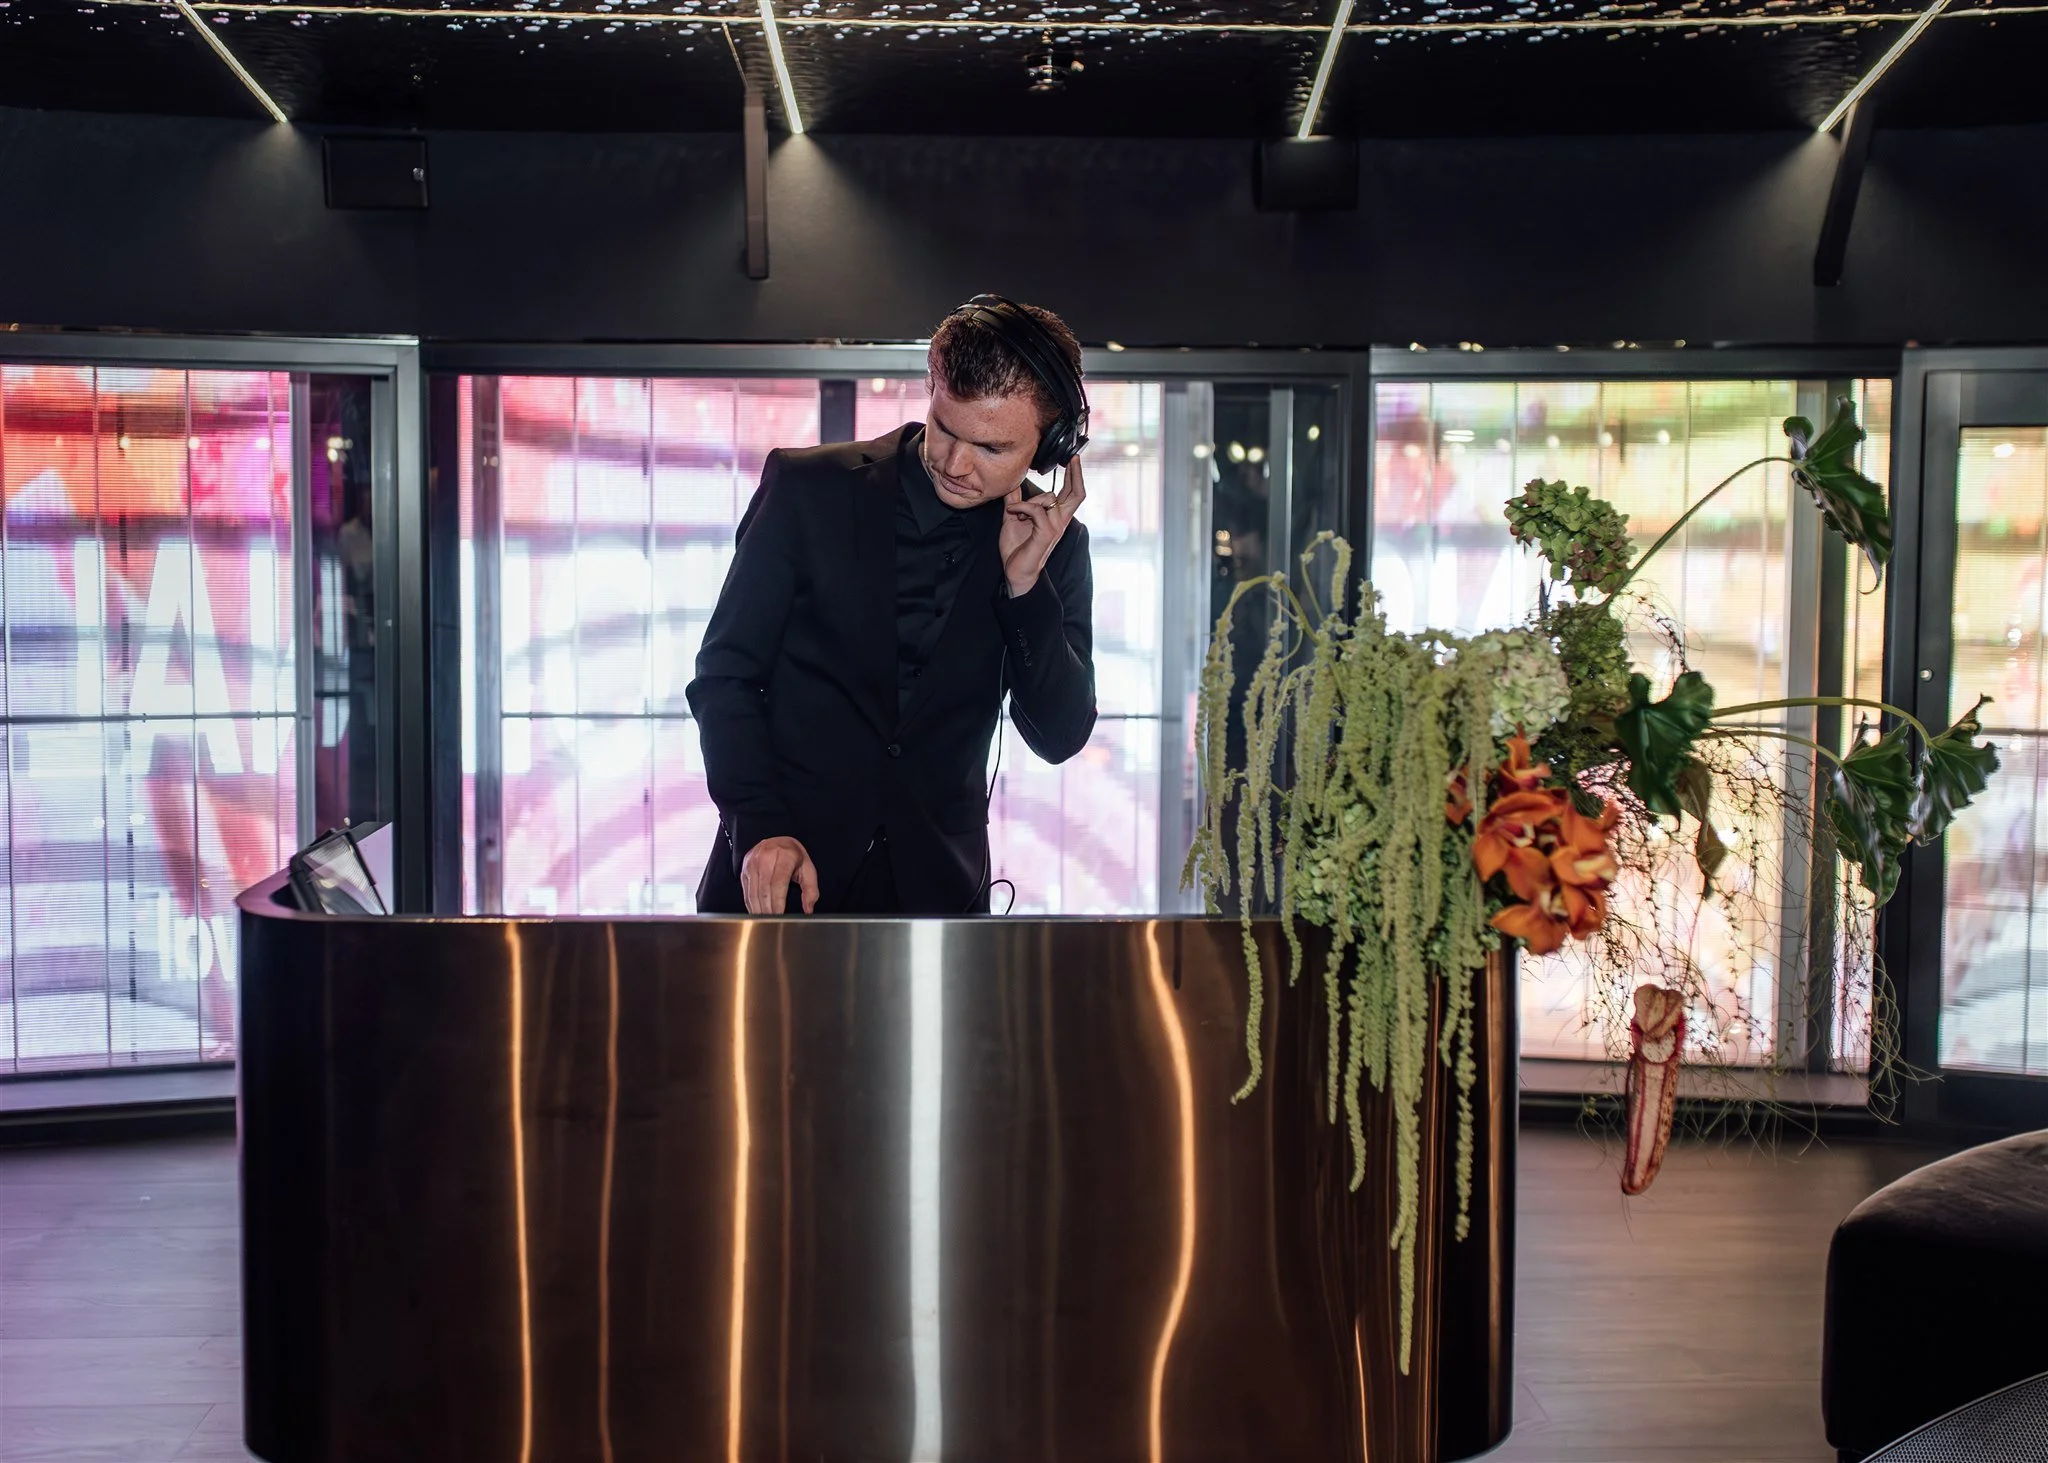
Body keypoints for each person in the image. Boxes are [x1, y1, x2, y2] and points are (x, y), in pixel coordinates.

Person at [686, 296, 1097, 915]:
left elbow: (1059, 736)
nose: (956, 464)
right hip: (779, 878)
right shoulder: (807, 490)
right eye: (945, 429)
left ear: (1050, 448)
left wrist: (1025, 586)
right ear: (930, 389)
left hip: (939, 900)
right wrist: (760, 825)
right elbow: (725, 676)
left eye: (991, 449)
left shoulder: (1054, 545)